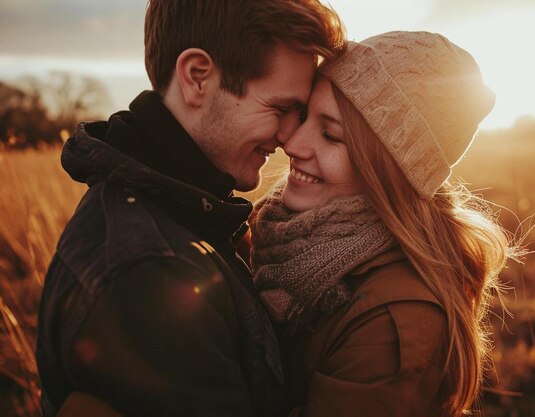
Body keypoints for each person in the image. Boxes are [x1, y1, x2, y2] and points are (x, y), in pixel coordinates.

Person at [36, 1, 345, 416]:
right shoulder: (150, 271)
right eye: (280, 109)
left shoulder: (186, 213)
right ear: (197, 76)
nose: (290, 138)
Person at [249, 31, 521, 417]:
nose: (292, 144)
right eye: (304, 116)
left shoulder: (396, 321)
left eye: (331, 136)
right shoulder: (269, 235)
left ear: (388, 169)